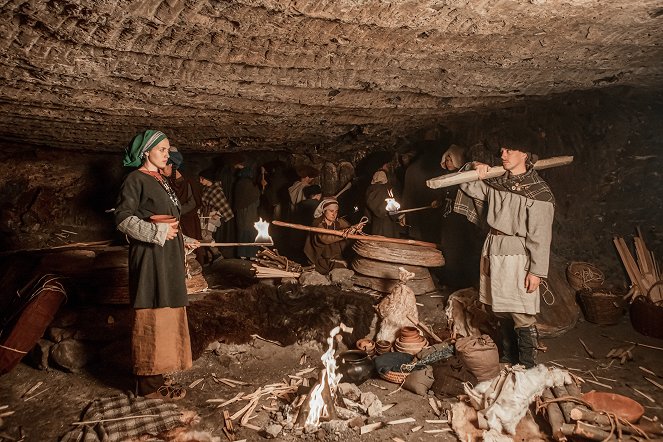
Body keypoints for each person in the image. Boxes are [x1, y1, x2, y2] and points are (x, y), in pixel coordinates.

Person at [453, 136, 554, 368]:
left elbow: (541, 236)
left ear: (525, 155)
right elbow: (466, 183)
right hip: (494, 249)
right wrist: (474, 167)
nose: (503, 155)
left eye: (510, 150)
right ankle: (508, 358)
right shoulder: (497, 183)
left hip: (518, 255)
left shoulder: (539, 193)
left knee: (521, 311)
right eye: (503, 150)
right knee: (501, 309)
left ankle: (527, 365)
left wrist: (536, 271)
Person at [114, 130, 199, 400]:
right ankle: (148, 387)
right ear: (145, 152)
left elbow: (169, 217)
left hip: (168, 255)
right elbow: (123, 219)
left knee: (166, 311)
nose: (167, 154)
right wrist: (158, 233)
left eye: (167, 150)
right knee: (152, 309)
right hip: (151, 257)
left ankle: (158, 377)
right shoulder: (134, 179)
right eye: (161, 149)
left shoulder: (161, 179)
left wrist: (183, 239)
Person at [162, 151, 204, 265]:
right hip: (174, 219)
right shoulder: (167, 181)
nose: (161, 170)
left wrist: (176, 212)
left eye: (164, 167)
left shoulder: (187, 182)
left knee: (191, 245)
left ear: (172, 166)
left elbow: (192, 203)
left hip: (187, 219)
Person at [303, 198, 352, 274]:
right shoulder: (318, 223)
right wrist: (343, 234)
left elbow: (349, 228)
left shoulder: (338, 222)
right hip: (320, 257)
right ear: (324, 211)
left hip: (336, 256)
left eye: (336, 211)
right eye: (331, 211)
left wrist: (355, 228)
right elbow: (325, 239)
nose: (334, 214)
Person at [199, 167, 234, 262]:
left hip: (212, 215)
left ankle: (217, 254)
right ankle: (211, 257)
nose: (200, 181)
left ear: (207, 178)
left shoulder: (216, 190)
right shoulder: (206, 189)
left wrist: (218, 214)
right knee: (203, 235)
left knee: (207, 236)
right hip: (206, 214)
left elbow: (223, 204)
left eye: (202, 178)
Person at [232, 162, 261, 259]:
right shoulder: (250, 184)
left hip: (240, 212)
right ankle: (252, 254)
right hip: (251, 212)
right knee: (251, 232)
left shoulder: (238, 183)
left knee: (242, 232)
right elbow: (256, 198)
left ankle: (242, 253)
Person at [364, 170, 402, 238]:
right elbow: (395, 209)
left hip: (376, 225)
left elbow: (367, 212)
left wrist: (369, 219)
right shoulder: (388, 190)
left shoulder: (370, 190)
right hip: (389, 225)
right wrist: (398, 216)